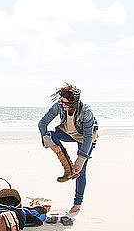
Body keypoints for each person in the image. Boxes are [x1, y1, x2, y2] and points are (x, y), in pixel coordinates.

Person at [38, 83, 98, 213]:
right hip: (68, 133)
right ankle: (67, 167)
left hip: (85, 138)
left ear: (75, 102)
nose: (63, 106)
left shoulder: (87, 113)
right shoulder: (59, 105)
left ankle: (77, 204)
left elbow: (88, 137)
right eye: (62, 102)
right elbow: (42, 123)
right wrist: (50, 143)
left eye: (67, 104)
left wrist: (79, 161)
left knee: (81, 170)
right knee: (50, 135)